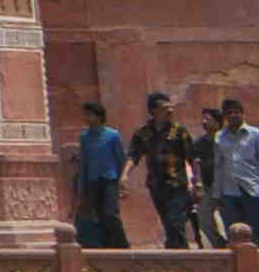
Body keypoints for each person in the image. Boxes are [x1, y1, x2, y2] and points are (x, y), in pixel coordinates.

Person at [135, 91, 198, 248]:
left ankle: (180, 254)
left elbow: (192, 158)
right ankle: (176, 252)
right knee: (169, 224)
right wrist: (123, 176)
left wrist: (198, 182)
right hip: (156, 185)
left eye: (171, 107)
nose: (170, 110)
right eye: (165, 108)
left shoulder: (179, 130)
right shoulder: (143, 133)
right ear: (154, 111)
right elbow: (133, 155)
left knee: (175, 221)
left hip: (177, 185)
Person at [211, 98, 259, 248]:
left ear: (243, 113)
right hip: (229, 192)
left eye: (236, 112)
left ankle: (258, 261)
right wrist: (216, 194)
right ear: (225, 116)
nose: (233, 115)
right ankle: (236, 262)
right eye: (229, 113)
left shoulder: (256, 134)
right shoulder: (219, 136)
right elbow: (218, 167)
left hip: (253, 191)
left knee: (255, 233)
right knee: (233, 232)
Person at [71, 100, 128, 248]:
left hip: (109, 179)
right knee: (97, 215)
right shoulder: (84, 137)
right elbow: (84, 163)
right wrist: (81, 187)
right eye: (85, 115)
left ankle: (122, 245)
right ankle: (106, 245)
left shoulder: (112, 135)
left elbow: (120, 159)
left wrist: (122, 182)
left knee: (111, 213)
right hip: (92, 180)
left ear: (98, 116)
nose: (86, 118)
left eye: (89, 115)